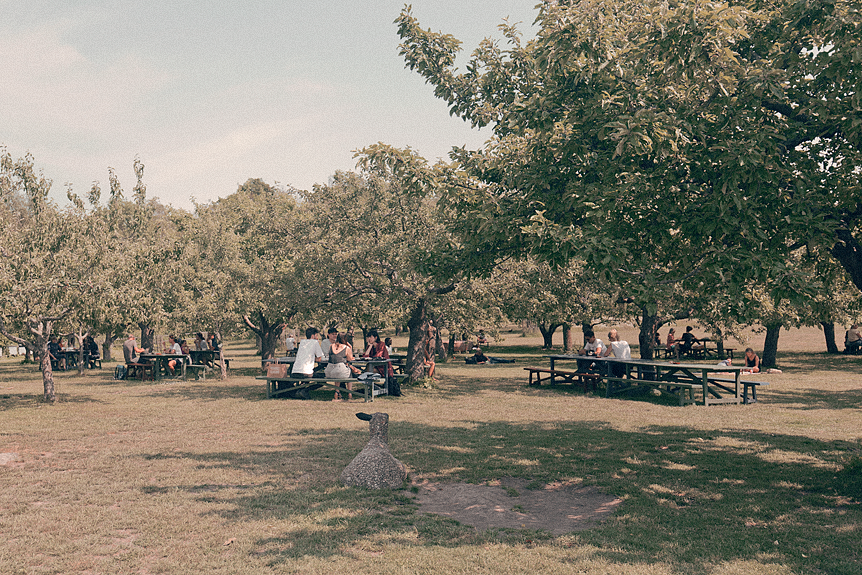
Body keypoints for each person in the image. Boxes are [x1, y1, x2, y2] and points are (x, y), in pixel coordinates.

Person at [325, 333, 356, 400]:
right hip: (339, 370)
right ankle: (349, 393)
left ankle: (337, 392)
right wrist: (350, 348)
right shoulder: (346, 348)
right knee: (348, 371)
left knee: (337, 371)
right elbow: (349, 359)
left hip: (329, 371)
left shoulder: (331, 346)